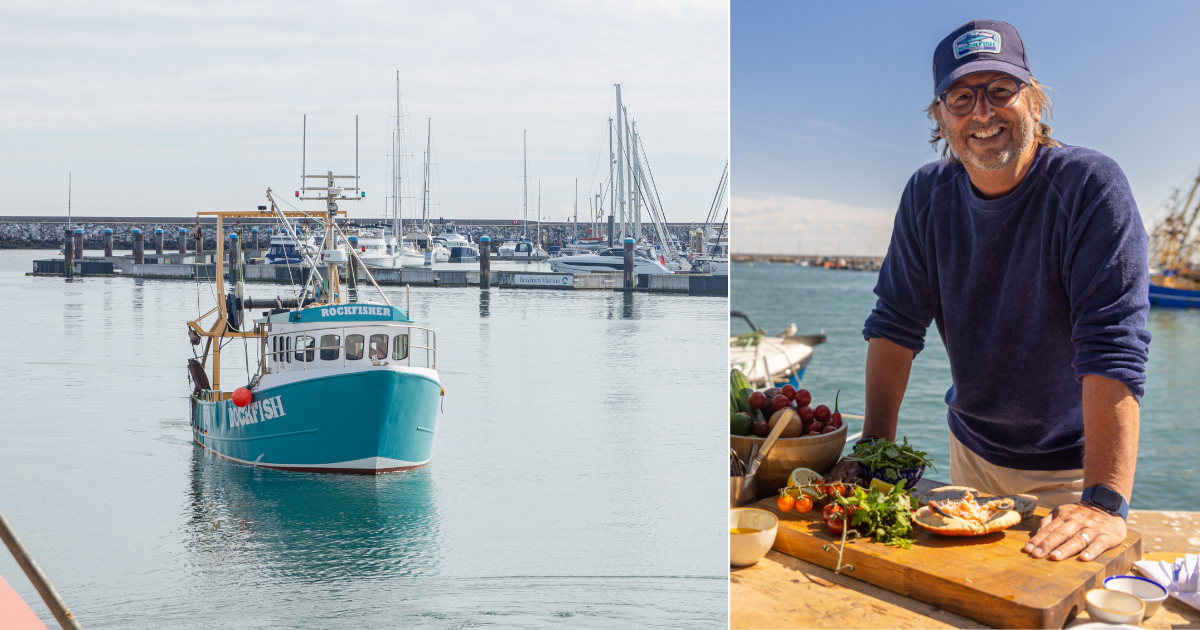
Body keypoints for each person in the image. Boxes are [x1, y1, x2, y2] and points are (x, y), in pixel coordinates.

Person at [826, 20, 1151, 563]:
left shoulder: (1091, 186)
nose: (982, 113)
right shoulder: (926, 194)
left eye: (1001, 90)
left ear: (1035, 100)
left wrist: (1103, 499)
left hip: (1072, 473)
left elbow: (1113, 344)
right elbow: (895, 323)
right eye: (961, 96)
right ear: (938, 116)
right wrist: (876, 452)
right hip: (969, 456)